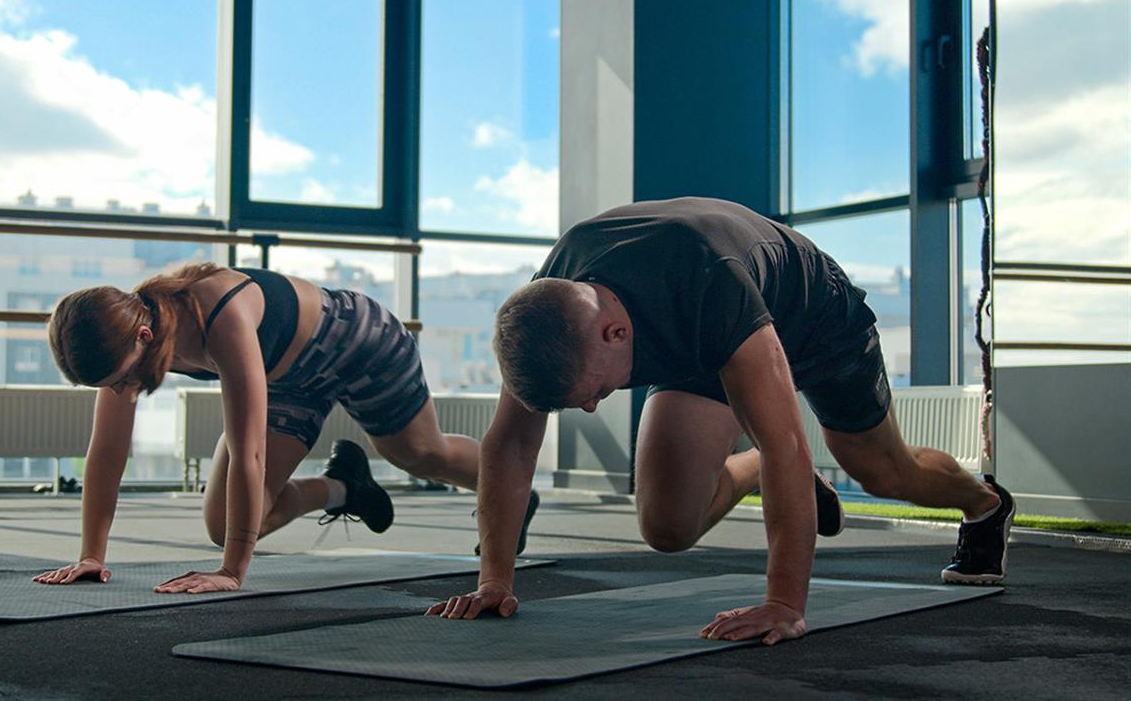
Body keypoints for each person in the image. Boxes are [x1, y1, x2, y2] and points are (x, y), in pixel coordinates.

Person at [428, 197, 1013, 646]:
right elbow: (508, 447)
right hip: (703, 338)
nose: (590, 407)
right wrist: (495, 581)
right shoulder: (547, 312)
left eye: (596, 391)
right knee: (668, 525)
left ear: (616, 334)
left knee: (883, 470)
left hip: (812, 315)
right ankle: (755, 474)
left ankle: (983, 503)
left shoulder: (709, 281)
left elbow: (788, 445)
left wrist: (784, 604)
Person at [34, 262, 536, 594]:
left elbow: (249, 452)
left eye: (121, 379)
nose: (122, 389)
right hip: (287, 378)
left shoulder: (217, 313)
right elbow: (106, 453)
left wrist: (232, 572)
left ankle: (512, 493)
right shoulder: (119, 346)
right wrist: (90, 556)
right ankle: (344, 488)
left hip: (357, 343)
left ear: (144, 337)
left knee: (422, 455)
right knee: (222, 525)